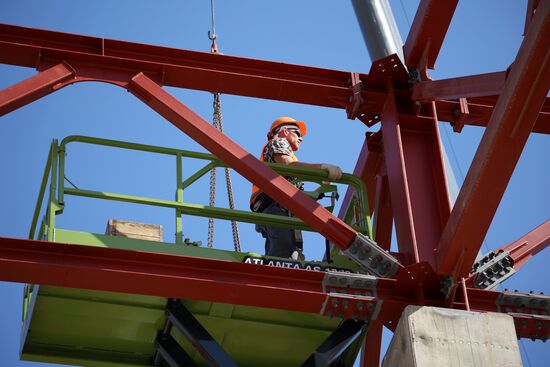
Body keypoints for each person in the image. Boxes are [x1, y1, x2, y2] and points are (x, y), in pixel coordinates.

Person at [250, 117, 343, 260]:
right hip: (274, 202)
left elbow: (293, 181)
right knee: (284, 250)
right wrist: (321, 168)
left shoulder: (291, 155)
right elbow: (288, 166)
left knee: (292, 251)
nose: (301, 138)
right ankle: (279, 274)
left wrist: (320, 189)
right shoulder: (277, 142)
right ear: (285, 131)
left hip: (281, 205)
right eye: (298, 133)